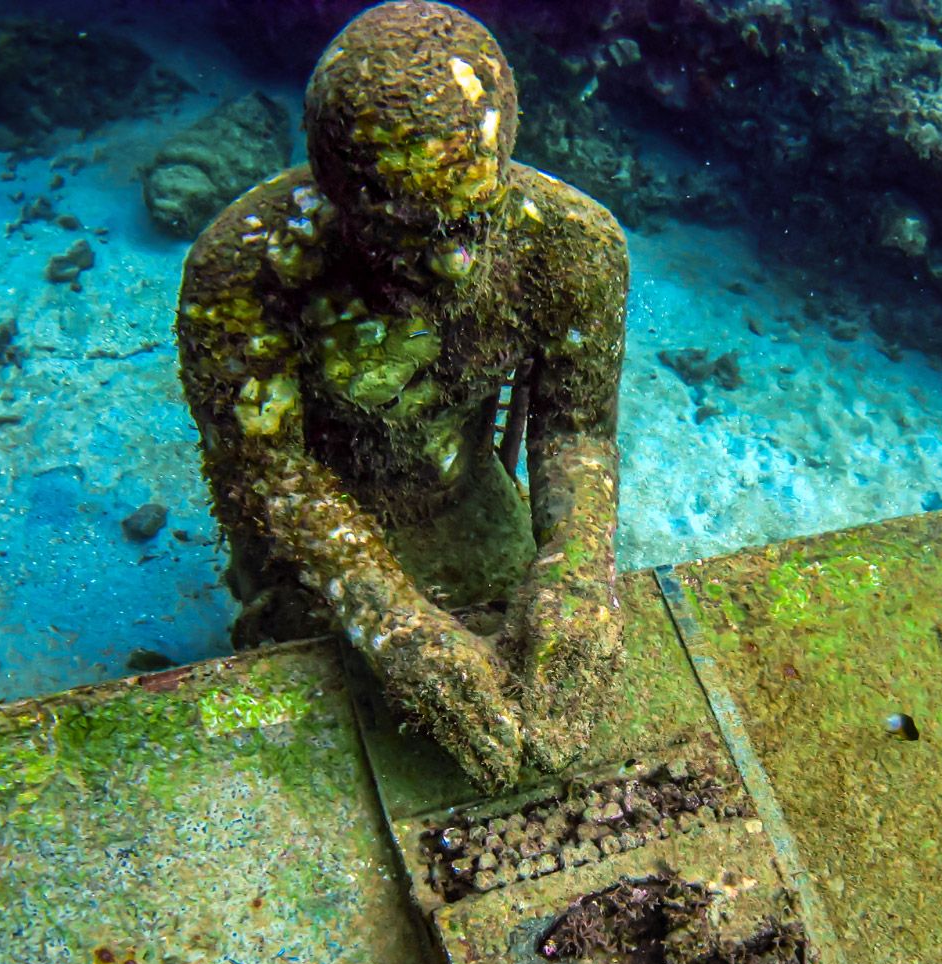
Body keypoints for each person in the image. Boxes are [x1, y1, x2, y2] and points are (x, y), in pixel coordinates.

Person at [176, 0, 627, 792]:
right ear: (341, 195)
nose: (453, 267)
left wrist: (577, 571)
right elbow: (266, 473)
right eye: (409, 230)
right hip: (307, 539)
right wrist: (391, 622)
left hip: (467, 496)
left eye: (472, 220)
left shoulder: (574, 248)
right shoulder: (246, 273)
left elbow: (576, 430)